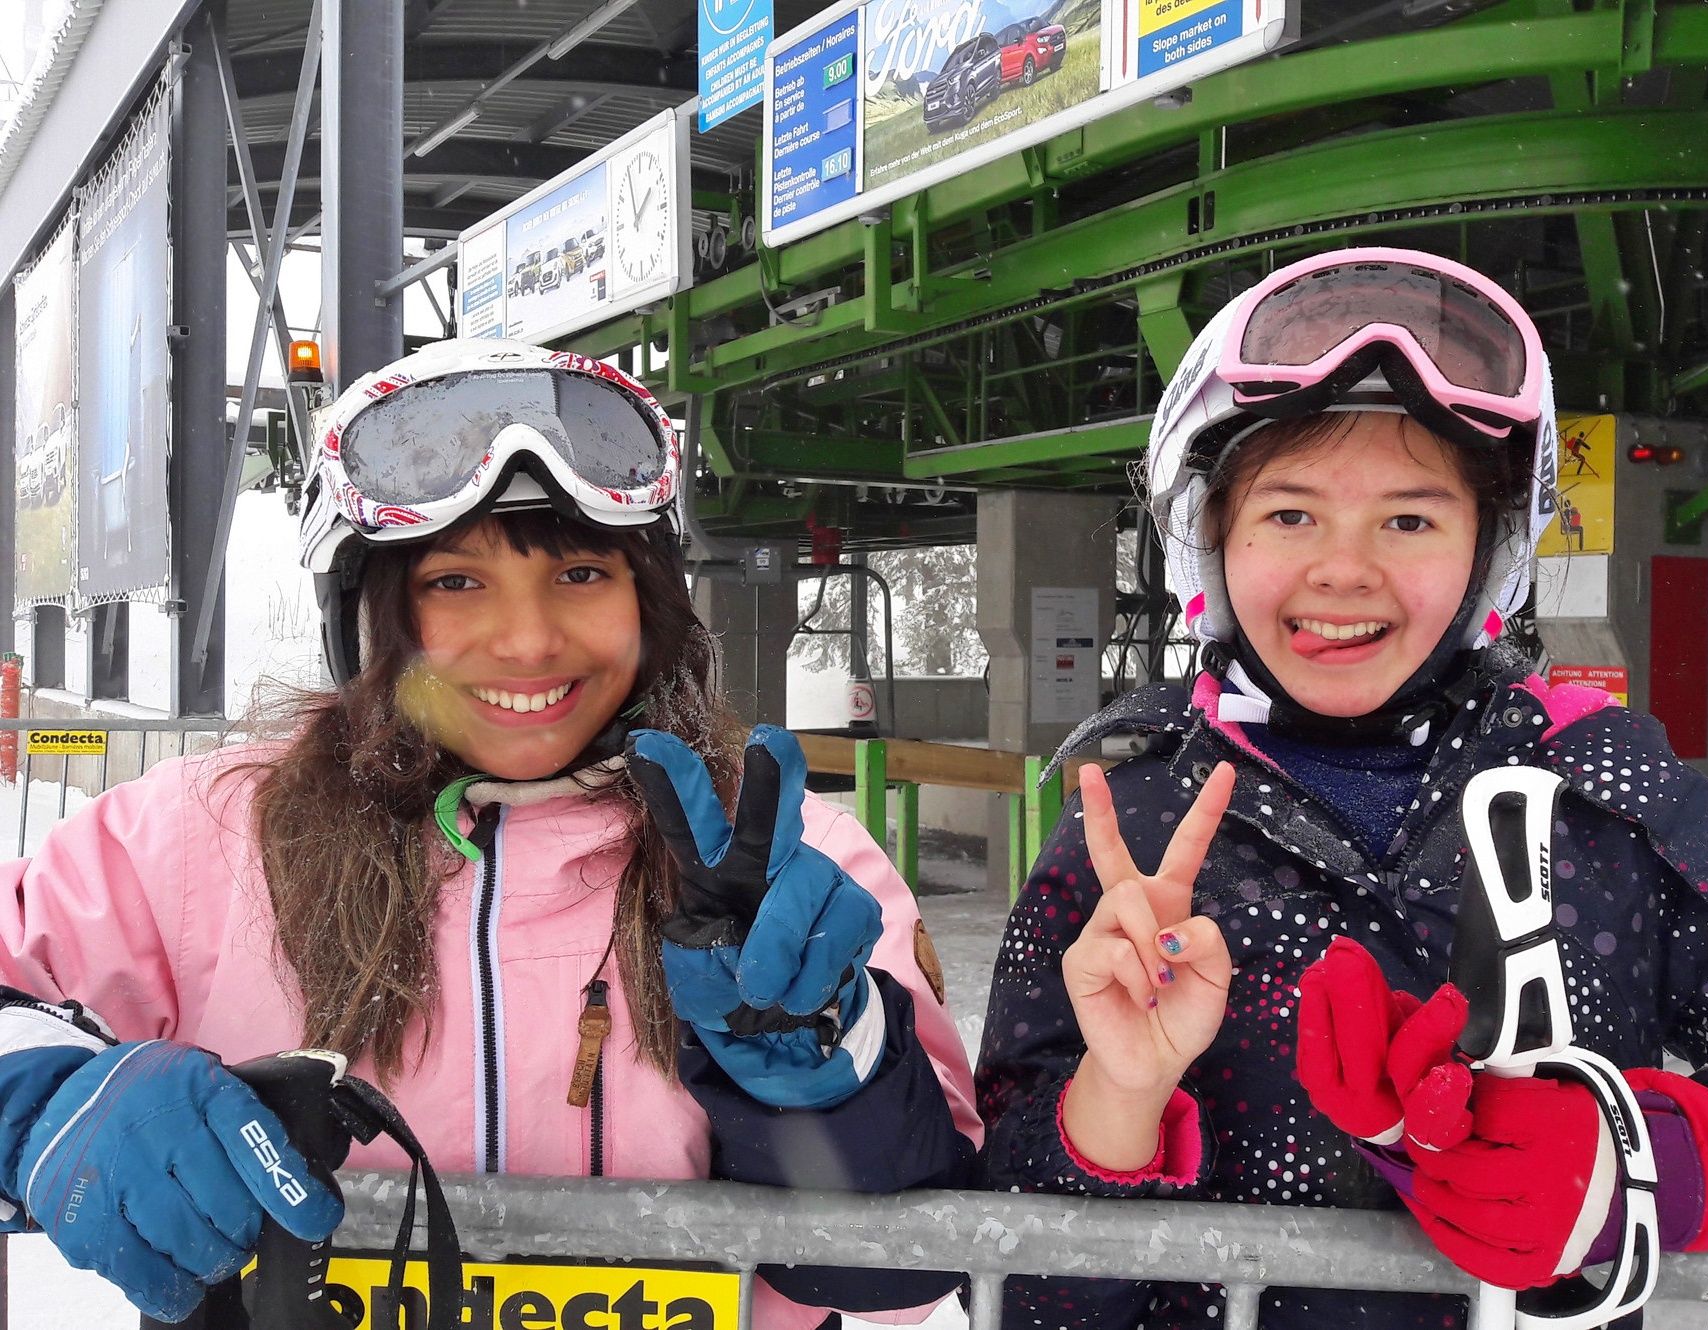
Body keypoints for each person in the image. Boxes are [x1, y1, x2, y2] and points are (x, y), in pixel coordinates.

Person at [0, 340, 982, 1324]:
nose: (526, 640)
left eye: (583, 572)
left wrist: (826, 1064)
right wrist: (41, 1102)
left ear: (651, 601)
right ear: (365, 609)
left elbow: (897, 1273)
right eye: (454, 583)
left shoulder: (783, 862)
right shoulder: (200, 837)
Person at [975, 247, 1708, 1329]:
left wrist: (1650, 1166)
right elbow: (1018, 1280)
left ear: (1488, 555)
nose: (1342, 570)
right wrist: (1120, 1096)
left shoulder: (1603, 796)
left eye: (1409, 520)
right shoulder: (1136, 822)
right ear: (1211, 542)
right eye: (1290, 514)